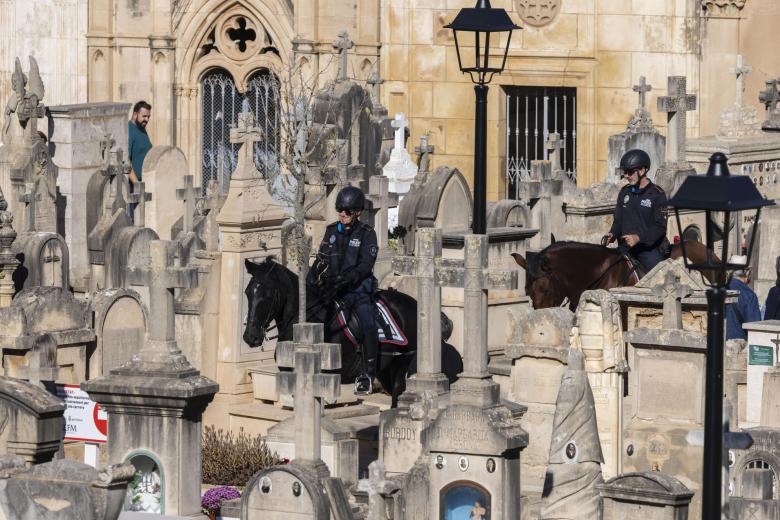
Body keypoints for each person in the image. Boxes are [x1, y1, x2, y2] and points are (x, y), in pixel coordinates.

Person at [307, 186, 379, 395]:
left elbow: (366, 265)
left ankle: (368, 374)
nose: (342, 215)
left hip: (357, 291)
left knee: (367, 322)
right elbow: (322, 258)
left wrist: (347, 279)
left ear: (357, 212)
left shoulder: (367, 234)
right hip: (331, 289)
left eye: (347, 211)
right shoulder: (331, 231)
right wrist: (312, 276)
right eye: (340, 210)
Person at [602, 149, 668, 272]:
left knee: (660, 276)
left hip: (647, 250)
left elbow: (660, 227)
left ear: (643, 170)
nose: (626, 176)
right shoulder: (624, 192)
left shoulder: (657, 194)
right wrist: (612, 234)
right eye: (625, 172)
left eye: (630, 172)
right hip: (624, 248)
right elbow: (618, 221)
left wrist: (638, 238)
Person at [128, 100, 152, 221]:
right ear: (135, 114)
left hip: (144, 183)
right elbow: (126, 160)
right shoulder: (130, 130)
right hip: (134, 186)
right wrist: (136, 182)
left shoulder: (141, 129)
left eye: (148, 117)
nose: (146, 119)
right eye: (144, 116)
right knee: (135, 220)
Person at [726, 255, 761, 340]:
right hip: (739, 347)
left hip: (718, 345)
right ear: (747, 272)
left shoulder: (720, 291)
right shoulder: (749, 295)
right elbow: (755, 327)